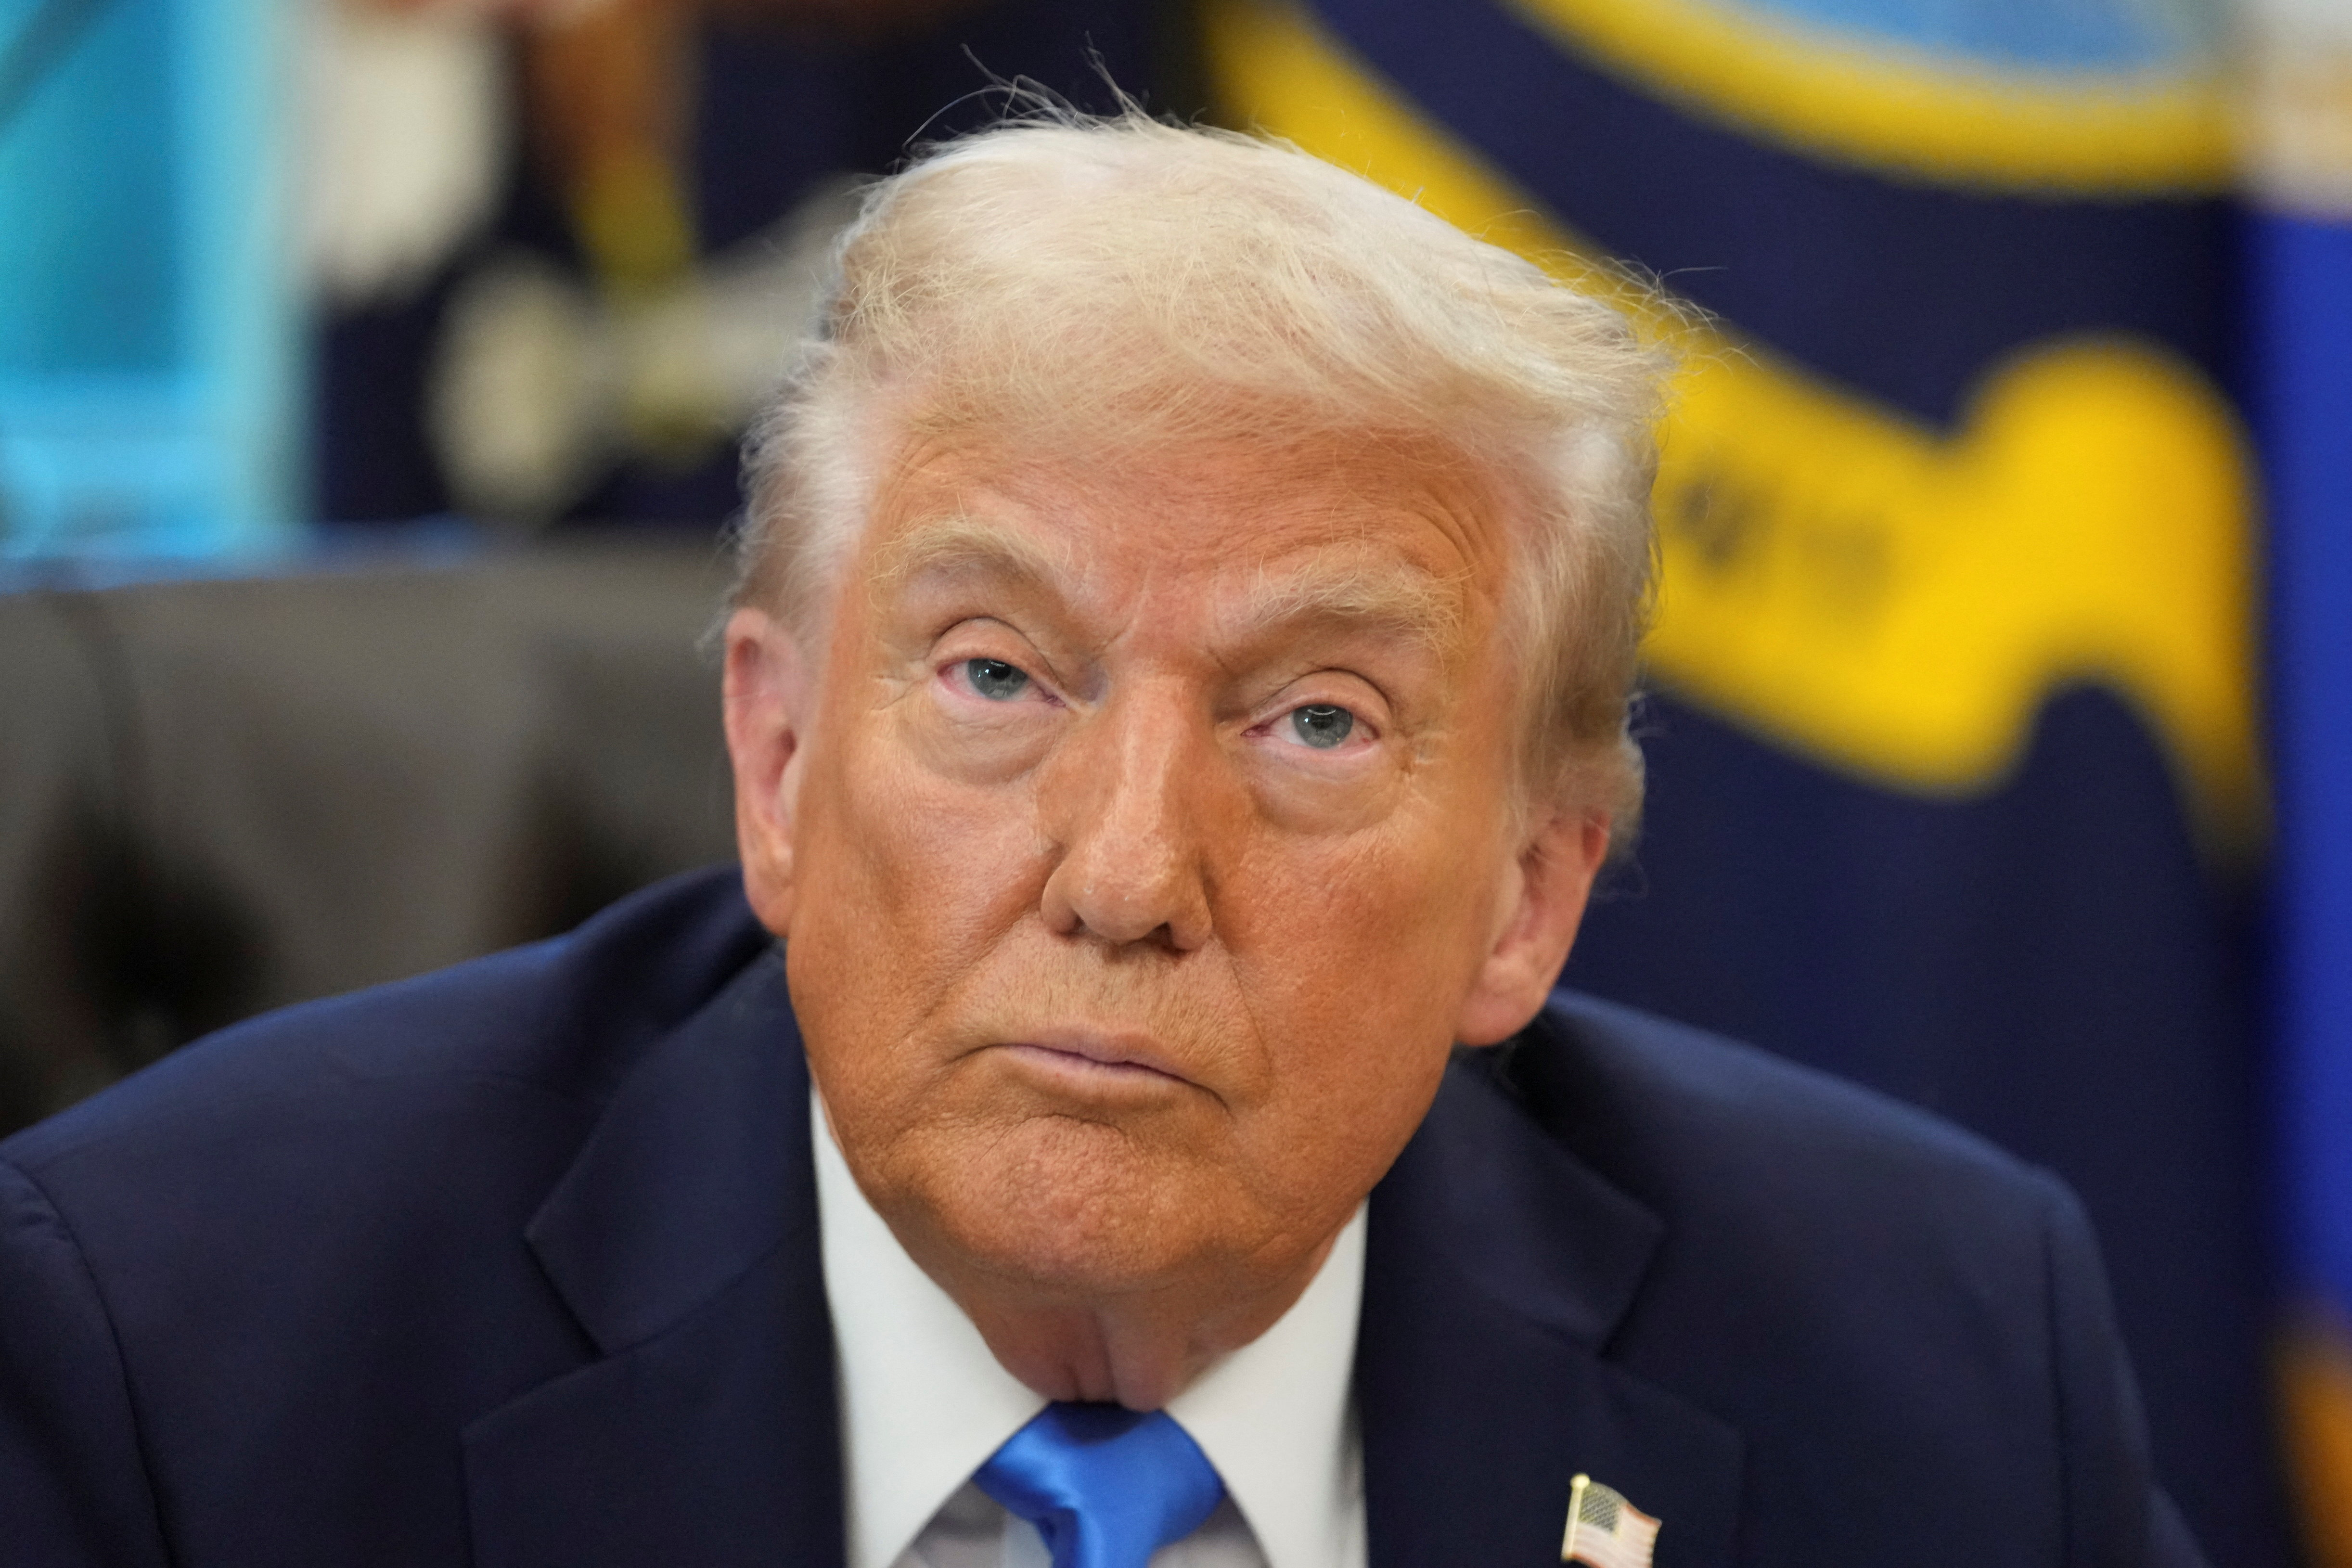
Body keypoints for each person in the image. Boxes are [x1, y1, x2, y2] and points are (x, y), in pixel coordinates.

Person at [0, 110, 2202, 1568]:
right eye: (993, 674)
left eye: (1316, 718)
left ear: (1525, 897)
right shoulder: (182, 1352)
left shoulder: (1934, 1362)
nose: (1127, 870)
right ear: (772, 764)